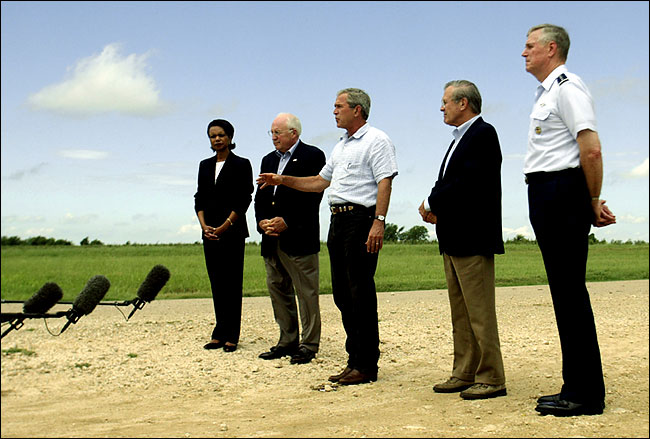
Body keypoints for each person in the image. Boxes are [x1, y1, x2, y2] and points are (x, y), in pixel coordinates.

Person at [257, 88, 398, 385]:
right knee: (343, 294)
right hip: (338, 221)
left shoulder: (377, 140)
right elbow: (320, 182)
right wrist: (282, 179)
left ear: (357, 110)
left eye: (339, 106)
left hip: (361, 220)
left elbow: (385, 181)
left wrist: (379, 222)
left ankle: (367, 365)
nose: (334, 111)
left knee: (360, 293)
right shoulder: (341, 146)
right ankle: (354, 360)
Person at [521, 24, 616, 416]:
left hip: (562, 194)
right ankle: (574, 385)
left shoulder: (567, 87)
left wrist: (592, 199)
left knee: (570, 294)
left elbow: (590, 149)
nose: (523, 53)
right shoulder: (548, 92)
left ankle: (586, 395)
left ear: (551, 48)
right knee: (565, 294)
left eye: (529, 46)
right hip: (549, 194)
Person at [418, 80, 507, 400]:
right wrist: (439, 212)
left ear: (463, 103)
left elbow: (465, 182)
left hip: (473, 239)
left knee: (480, 313)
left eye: (445, 102)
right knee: (461, 312)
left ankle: (492, 377)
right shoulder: (460, 139)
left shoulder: (483, 134)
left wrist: (430, 203)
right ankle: (465, 371)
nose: (441, 108)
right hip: (454, 236)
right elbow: (456, 184)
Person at [255, 113, 326, 364]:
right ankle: (287, 340)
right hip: (271, 239)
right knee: (278, 289)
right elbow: (260, 197)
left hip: (299, 237)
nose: (273, 137)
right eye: (271, 133)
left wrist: (288, 220)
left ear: (293, 133)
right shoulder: (267, 159)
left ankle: (309, 344)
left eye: (278, 132)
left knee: (306, 293)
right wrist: (262, 222)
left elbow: (313, 196)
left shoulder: (313, 156)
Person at [194, 119, 254, 353]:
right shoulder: (204, 165)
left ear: (229, 137)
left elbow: (244, 198)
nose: (216, 139)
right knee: (217, 283)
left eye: (220, 135)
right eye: (212, 136)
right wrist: (204, 226)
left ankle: (232, 336)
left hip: (232, 232)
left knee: (231, 283)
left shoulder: (241, 164)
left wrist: (225, 225)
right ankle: (218, 333)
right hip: (209, 233)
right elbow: (199, 197)